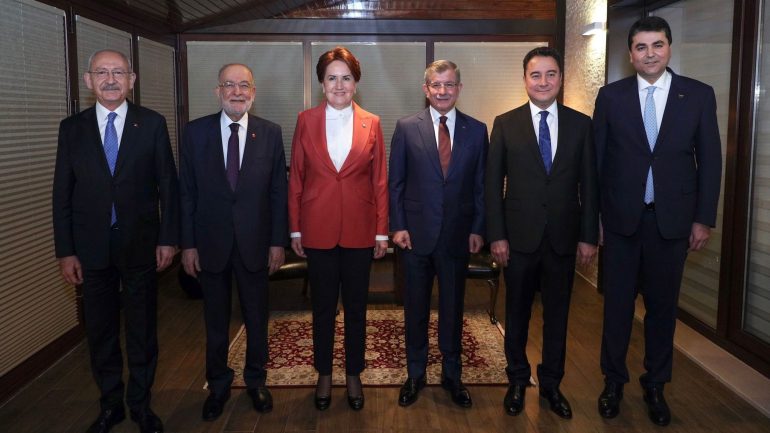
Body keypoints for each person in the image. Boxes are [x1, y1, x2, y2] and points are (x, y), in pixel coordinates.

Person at [593, 16, 722, 426]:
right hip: (620, 222)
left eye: (657, 45)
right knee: (616, 308)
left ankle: (655, 385)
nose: (650, 54)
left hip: (672, 223)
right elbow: (597, 163)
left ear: (669, 48)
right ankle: (613, 383)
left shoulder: (697, 95)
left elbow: (710, 162)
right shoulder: (610, 97)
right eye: (641, 47)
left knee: (662, 310)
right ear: (630, 54)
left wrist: (703, 219)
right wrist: (595, 219)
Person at [52, 49, 178, 433]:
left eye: (118, 73)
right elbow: (61, 194)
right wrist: (66, 251)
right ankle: (111, 405)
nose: (110, 79)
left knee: (142, 329)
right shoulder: (71, 129)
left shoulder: (152, 123)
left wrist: (168, 239)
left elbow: (168, 186)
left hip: (141, 245)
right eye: (102, 72)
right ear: (88, 80)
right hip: (90, 249)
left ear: (131, 80)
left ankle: (140, 404)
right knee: (101, 331)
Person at [485, 47, 599, 419]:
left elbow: (590, 185)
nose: (544, 81)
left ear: (561, 78)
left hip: (564, 239)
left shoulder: (581, 125)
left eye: (551, 74)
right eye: (536, 75)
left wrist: (588, 236)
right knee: (517, 313)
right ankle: (517, 380)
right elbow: (492, 185)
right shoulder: (505, 123)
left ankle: (551, 384)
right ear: (525, 79)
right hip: (518, 239)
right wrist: (496, 235)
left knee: (558, 316)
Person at [179, 63, 288, 421]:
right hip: (209, 243)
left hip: (256, 243)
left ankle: (256, 380)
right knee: (215, 322)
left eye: (244, 85)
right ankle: (218, 384)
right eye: (229, 84)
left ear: (253, 93)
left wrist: (277, 242)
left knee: (257, 317)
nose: (237, 92)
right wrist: (188, 245)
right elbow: (186, 193)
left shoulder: (270, 133)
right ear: (218, 91)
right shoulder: (195, 133)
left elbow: (278, 192)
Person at [288, 47, 388, 411]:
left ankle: (354, 374)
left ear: (356, 83)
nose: (339, 85)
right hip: (317, 229)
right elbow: (296, 178)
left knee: (357, 308)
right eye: (332, 78)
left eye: (346, 78)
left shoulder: (372, 122)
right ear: (321, 83)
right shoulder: (305, 120)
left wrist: (381, 232)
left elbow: (380, 181)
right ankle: (324, 374)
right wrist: (295, 230)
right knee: (323, 308)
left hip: (361, 231)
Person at [389, 60, 488, 409]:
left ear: (459, 88)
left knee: (452, 309)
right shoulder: (406, 128)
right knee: (415, 309)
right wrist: (398, 225)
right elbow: (396, 182)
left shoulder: (478, 130)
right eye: (436, 85)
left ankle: (452, 375)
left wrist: (478, 228)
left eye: (449, 85)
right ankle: (415, 374)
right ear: (425, 89)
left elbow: (481, 186)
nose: (442, 91)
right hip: (415, 237)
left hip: (457, 236)